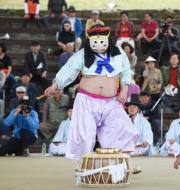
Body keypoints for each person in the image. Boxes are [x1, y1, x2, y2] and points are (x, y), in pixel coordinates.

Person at [44, 25, 139, 160]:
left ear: (108, 39)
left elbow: (126, 73)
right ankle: (85, 165)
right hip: (86, 100)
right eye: (95, 42)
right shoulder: (82, 54)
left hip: (111, 101)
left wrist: (124, 90)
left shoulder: (118, 53)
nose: (99, 46)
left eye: (102, 42)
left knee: (119, 128)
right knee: (84, 133)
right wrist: (56, 84)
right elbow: (69, 69)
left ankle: (117, 163)